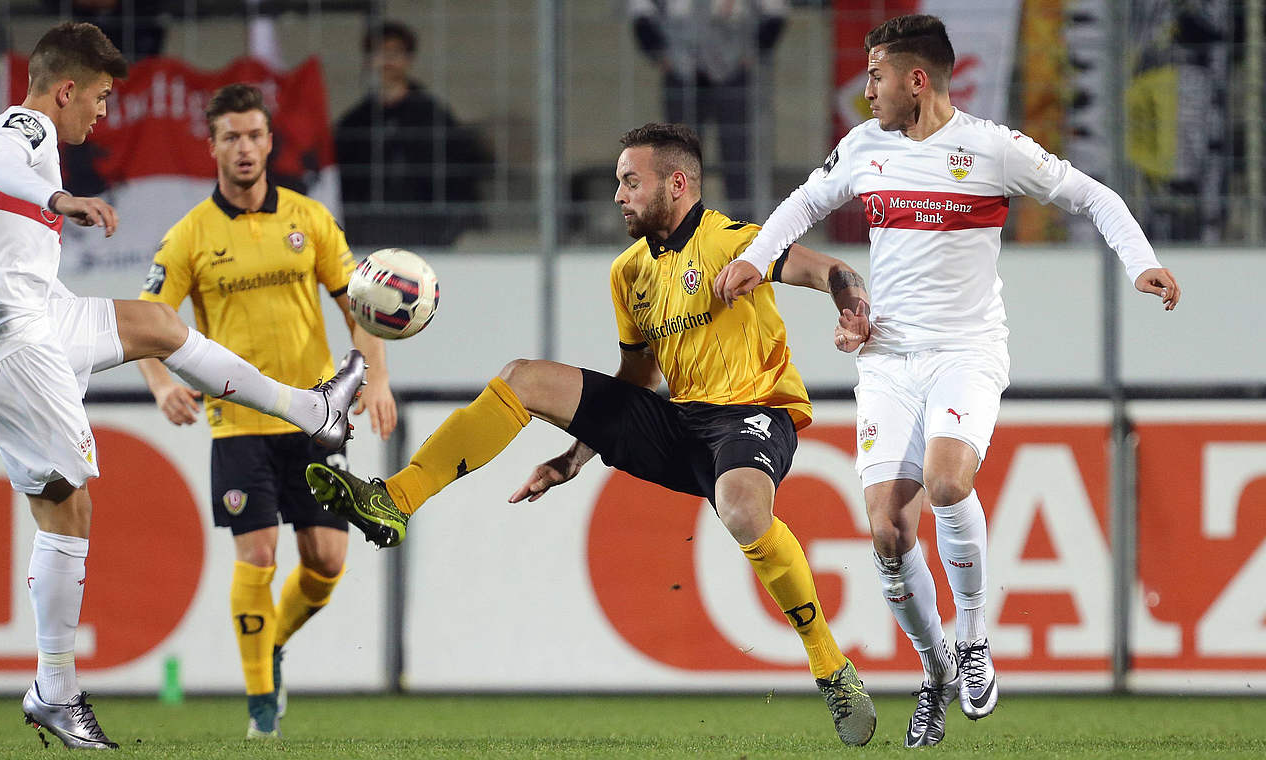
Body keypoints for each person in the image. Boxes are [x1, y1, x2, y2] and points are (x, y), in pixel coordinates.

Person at [308, 122, 879, 747]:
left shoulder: (737, 242)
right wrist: (578, 454)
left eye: (632, 182)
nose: (618, 196)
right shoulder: (629, 272)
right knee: (522, 377)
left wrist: (852, 310)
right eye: (617, 183)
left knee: (744, 510)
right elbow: (638, 375)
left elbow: (830, 269)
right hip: (676, 420)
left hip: (751, 414)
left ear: (678, 184)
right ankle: (396, 500)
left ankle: (830, 665)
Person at [713, 14, 1182, 748]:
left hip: (966, 350)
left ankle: (973, 638)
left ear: (916, 80)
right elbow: (805, 202)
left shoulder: (992, 148)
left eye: (875, 76)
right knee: (888, 533)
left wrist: (1140, 261)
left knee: (947, 484)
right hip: (889, 358)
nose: (864, 90)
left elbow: (1092, 195)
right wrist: (755, 257)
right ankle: (935, 671)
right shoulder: (865, 147)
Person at [0, 22, 366, 749]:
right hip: (1, 338)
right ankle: (54, 689)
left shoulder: (36, 141)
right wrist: (60, 201)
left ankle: (312, 408)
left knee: (158, 326)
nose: (101, 112)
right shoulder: (23, 130)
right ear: (65, 89)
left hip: (31, 315)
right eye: (96, 97)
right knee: (69, 507)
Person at [135, 83, 397, 739]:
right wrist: (161, 384)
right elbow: (146, 322)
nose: (245, 148)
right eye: (231, 137)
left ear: (270, 141)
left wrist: (377, 378)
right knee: (257, 557)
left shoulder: (309, 219)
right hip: (238, 424)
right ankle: (260, 707)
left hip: (314, 416)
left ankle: (270, 644)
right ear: (213, 146)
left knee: (327, 563)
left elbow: (360, 306)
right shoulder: (191, 236)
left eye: (255, 135)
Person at [333, 20, 492, 248]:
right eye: (379, 52)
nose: (387, 61)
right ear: (367, 60)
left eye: (395, 52)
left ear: (409, 59)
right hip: (368, 240)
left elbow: (459, 177)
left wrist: (446, 232)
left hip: (425, 237)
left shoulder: (434, 117)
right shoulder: (354, 123)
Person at [630, 0, 788, 222]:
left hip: (733, 72)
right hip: (681, 72)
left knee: (738, 154)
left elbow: (775, 11)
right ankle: (681, 229)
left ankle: (744, 231)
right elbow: (641, 10)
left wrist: (754, 51)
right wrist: (659, 54)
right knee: (679, 156)